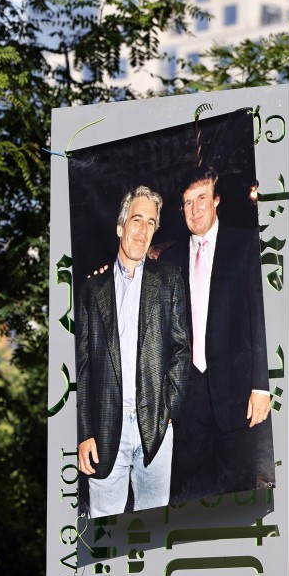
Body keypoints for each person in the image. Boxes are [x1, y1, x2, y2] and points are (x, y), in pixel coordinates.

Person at [76, 186, 190, 518]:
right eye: (137, 220)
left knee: (153, 528)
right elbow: (82, 367)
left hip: (156, 427)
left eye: (150, 223)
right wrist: (84, 433)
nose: (142, 230)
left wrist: (169, 411)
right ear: (120, 226)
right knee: (104, 529)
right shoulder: (91, 290)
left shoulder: (169, 279)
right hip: (104, 428)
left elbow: (181, 349)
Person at [162, 167, 273, 503]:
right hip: (187, 400)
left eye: (201, 199)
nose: (195, 209)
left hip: (238, 395)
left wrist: (261, 386)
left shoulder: (247, 244)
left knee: (239, 497)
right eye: (187, 202)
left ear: (217, 200)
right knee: (188, 500)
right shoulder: (169, 260)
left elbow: (262, 317)